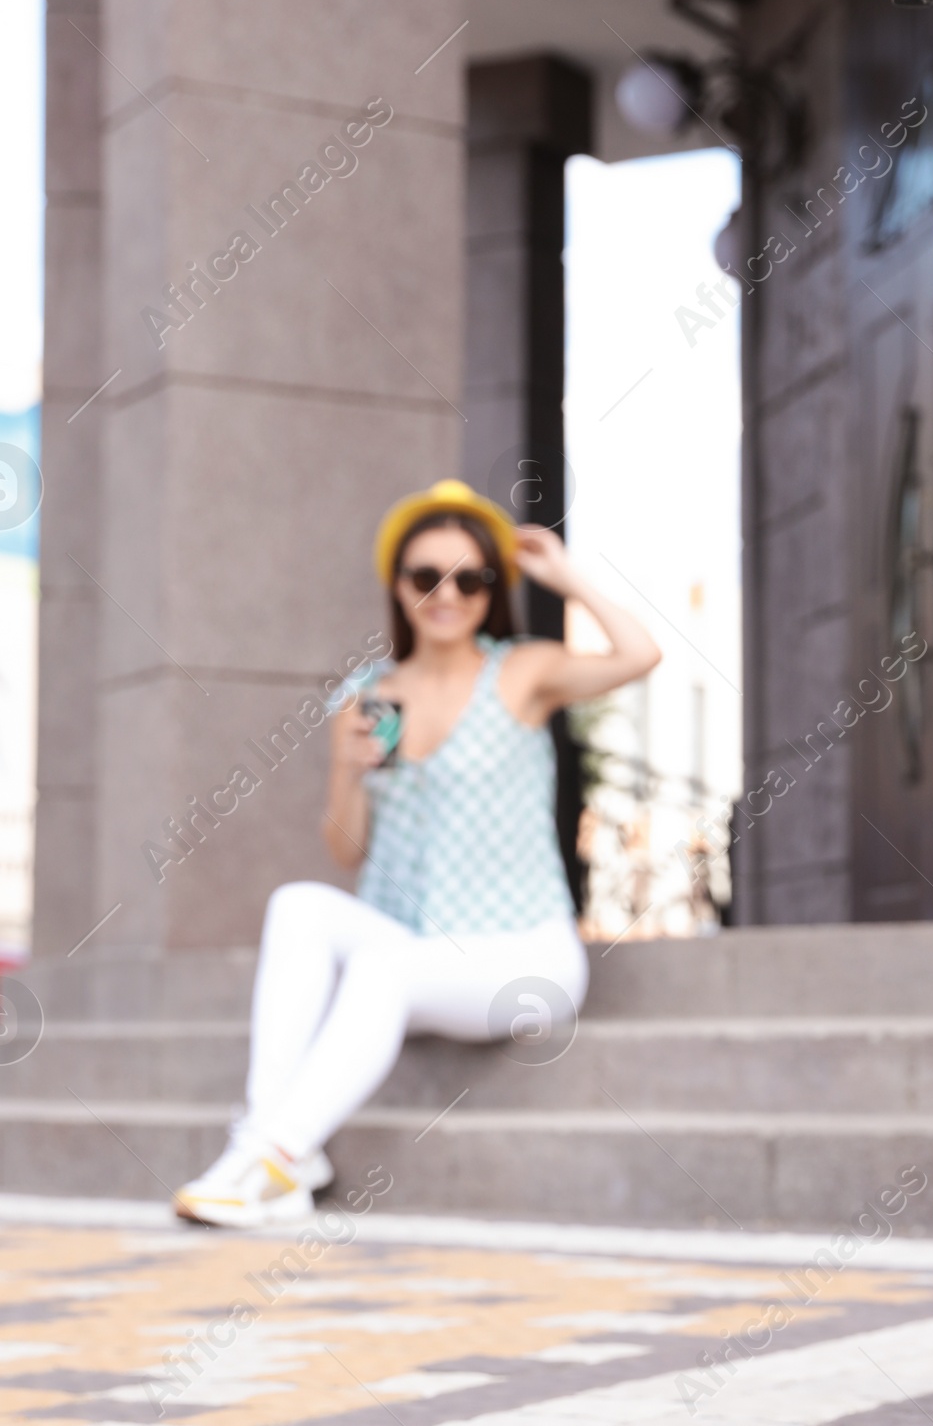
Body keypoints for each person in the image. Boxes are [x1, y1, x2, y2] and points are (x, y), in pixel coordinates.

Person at [173, 480, 660, 1227]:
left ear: (491, 590)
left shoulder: (521, 672)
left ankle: (272, 1156)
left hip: (522, 955)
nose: (447, 593)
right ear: (397, 586)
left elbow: (641, 654)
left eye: (471, 577)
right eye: (426, 575)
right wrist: (346, 769)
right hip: (416, 944)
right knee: (298, 906)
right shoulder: (371, 695)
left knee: (382, 965)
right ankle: (275, 1150)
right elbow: (346, 850)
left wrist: (565, 577)